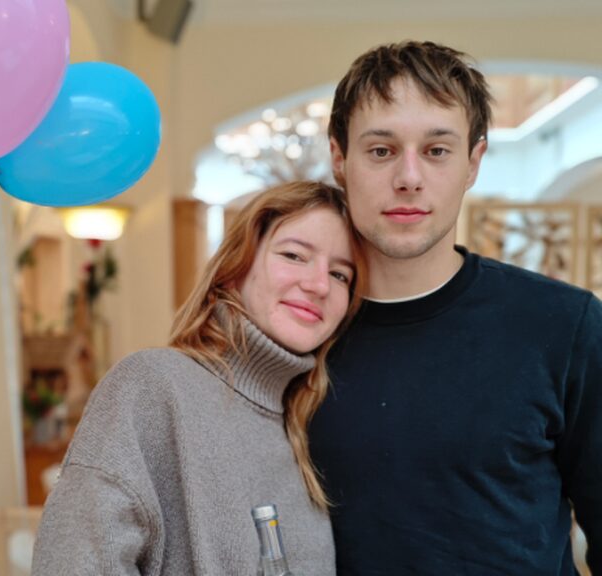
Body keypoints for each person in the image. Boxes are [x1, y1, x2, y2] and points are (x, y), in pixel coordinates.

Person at [309, 40, 602, 575]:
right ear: (338, 159)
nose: (409, 177)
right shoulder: (299, 332)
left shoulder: (563, 325)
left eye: (437, 150)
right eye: (381, 150)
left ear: (473, 162)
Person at [31, 180, 367, 575]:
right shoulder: (153, 387)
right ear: (234, 269)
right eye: (294, 255)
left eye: (341, 274)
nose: (319, 285)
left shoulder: (304, 427)